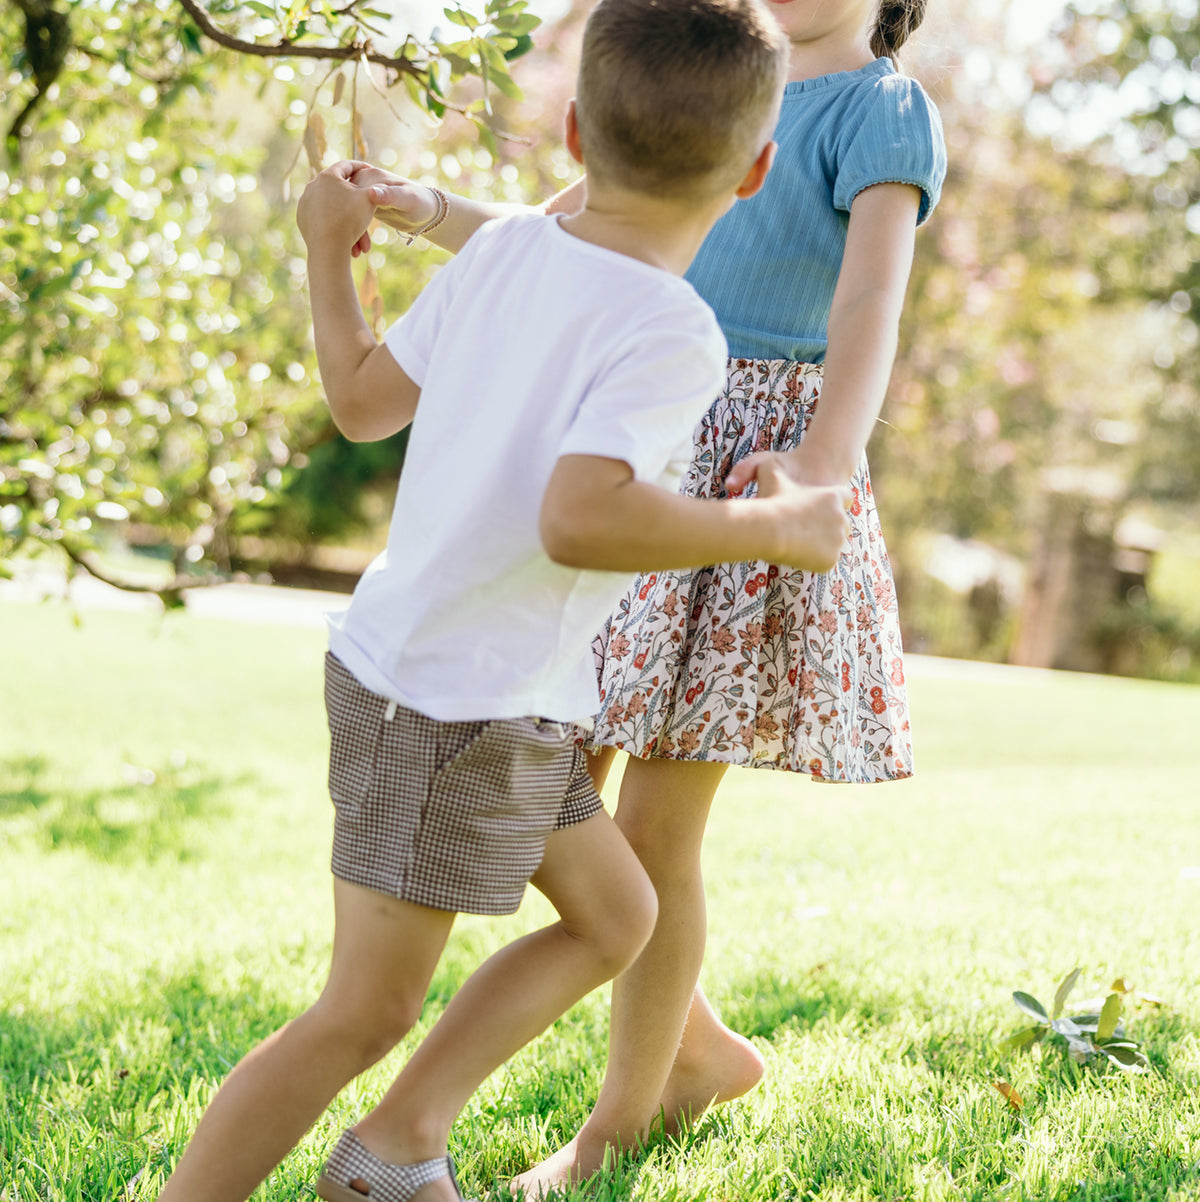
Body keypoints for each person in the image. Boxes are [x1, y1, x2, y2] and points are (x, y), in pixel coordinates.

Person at [153, 2, 853, 1201]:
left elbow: (365, 400)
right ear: (757, 170)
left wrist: (331, 253)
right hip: (448, 704)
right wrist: (772, 528)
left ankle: (401, 1143)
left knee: (616, 912)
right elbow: (579, 515)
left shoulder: (512, 249)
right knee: (360, 1011)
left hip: (487, 693)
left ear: (575, 133)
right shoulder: (674, 330)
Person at [347, 0, 948, 1194]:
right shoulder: (713, 78)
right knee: (558, 802)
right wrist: (429, 215)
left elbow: (870, 307)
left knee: (656, 834)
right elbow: (567, 229)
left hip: (744, 472)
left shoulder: (882, 110)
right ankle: (700, 1051)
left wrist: (816, 470)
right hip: (627, 445)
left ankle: (619, 1124)